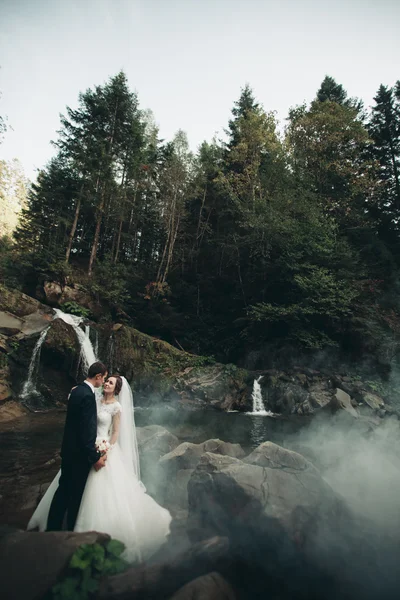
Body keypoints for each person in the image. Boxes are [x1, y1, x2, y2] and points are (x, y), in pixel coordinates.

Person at [28, 372, 171, 563]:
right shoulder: (92, 398)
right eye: (106, 381)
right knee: (75, 485)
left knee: (100, 491)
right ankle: (63, 524)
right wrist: (74, 392)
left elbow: (116, 432)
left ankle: (86, 532)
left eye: (110, 382)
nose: (106, 384)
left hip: (103, 449)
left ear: (117, 388)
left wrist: (107, 450)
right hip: (85, 448)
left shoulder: (116, 407)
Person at [46, 361, 108, 531]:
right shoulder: (87, 395)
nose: (103, 382)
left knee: (63, 490)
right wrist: (94, 457)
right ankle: (72, 529)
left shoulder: (76, 391)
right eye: (104, 378)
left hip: (68, 451)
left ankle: (53, 526)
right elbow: (86, 431)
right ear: (98, 376)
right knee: (76, 495)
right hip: (79, 456)